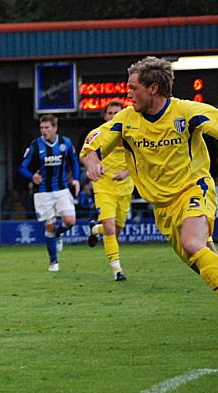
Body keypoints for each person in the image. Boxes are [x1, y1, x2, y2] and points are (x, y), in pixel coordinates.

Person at [81, 56, 218, 346]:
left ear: (153, 88)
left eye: (133, 88)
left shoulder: (187, 111)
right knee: (211, 268)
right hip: (163, 209)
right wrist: (92, 161)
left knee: (195, 244)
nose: (128, 93)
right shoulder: (125, 121)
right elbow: (93, 143)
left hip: (194, 190)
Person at [18, 114, 80, 272]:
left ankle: (59, 234)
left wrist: (76, 179)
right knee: (50, 226)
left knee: (70, 221)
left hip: (62, 189)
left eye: (47, 128)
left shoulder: (65, 143)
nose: (44, 131)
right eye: (41, 128)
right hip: (43, 192)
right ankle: (54, 262)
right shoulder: (35, 145)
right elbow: (22, 167)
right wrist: (32, 176)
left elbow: (74, 160)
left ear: (55, 128)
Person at [85, 100, 133, 281]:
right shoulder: (97, 135)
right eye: (110, 113)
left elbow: (142, 159)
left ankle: (95, 230)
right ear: (105, 116)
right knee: (111, 228)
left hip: (125, 186)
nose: (113, 116)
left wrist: (127, 172)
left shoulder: (131, 135)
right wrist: (94, 165)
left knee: (116, 230)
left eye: (116, 113)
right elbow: (85, 155)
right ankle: (117, 271)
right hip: (104, 186)